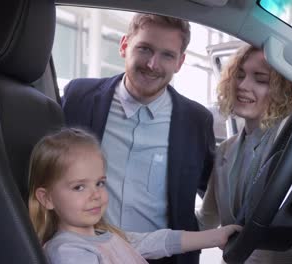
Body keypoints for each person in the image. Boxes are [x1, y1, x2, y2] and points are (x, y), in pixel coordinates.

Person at [61, 13, 215, 264]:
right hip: (83, 253)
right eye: (145, 49)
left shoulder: (196, 120)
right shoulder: (79, 97)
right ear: (124, 46)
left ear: (180, 62)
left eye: (167, 55)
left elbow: (213, 189)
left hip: (162, 257)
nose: (153, 64)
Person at [28, 128, 240, 264]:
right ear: (46, 199)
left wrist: (215, 236)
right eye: (79, 187)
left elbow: (157, 241)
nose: (95, 195)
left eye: (100, 183)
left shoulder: (105, 235)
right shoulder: (68, 251)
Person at [196, 45, 292, 263]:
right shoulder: (225, 150)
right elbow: (206, 219)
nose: (242, 85)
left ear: (283, 91)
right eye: (239, 76)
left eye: (260, 79)